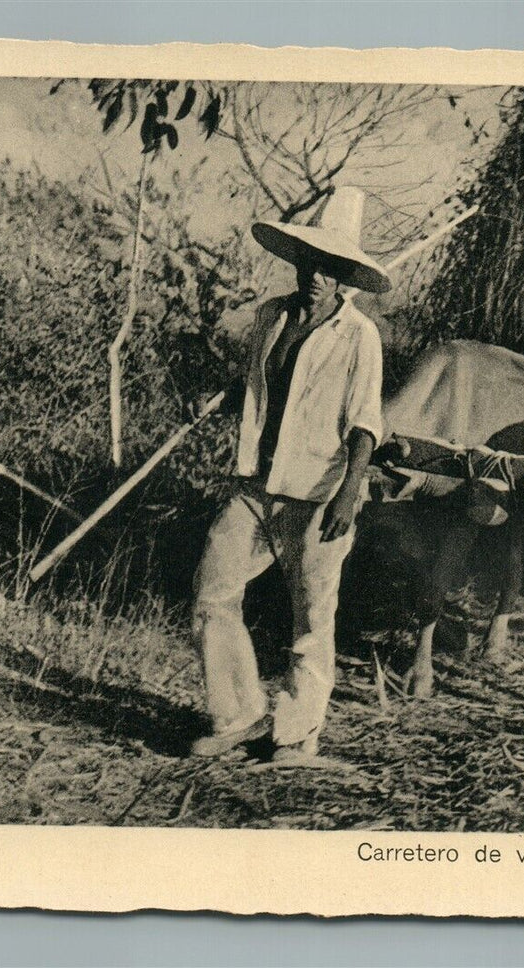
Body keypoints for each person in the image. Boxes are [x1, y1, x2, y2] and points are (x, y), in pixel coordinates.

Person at [189, 186, 388, 764]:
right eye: (309, 263)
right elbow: (261, 389)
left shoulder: (359, 337)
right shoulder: (271, 317)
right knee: (212, 593)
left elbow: (366, 421)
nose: (315, 277)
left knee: (310, 617)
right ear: (297, 261)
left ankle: (298, 733)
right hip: (254, 483)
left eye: (329, 269)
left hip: (317, 491)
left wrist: (350, 492)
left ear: (346, 276)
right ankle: (240, 715)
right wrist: (226, 397)